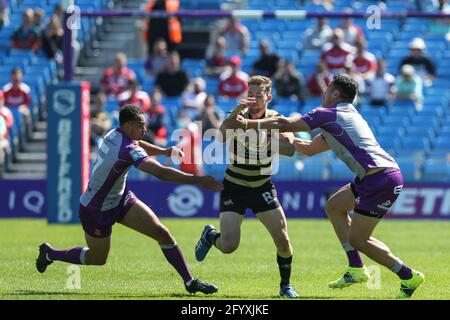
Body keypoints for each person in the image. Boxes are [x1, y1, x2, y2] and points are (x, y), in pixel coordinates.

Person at [228, 75, 425, 299]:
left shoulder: (328, 113)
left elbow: (286, 123)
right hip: (374, 176)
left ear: (336, 94)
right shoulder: (340, 117)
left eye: (327, 88)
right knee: (334, 207)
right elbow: (310, 148)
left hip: (379, 179)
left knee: (359, 240)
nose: (324, 92)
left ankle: (408, 276)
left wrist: (247, 124)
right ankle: (356, 268)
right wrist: (280, 141)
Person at [36, 105, 222, 295]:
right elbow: (160, 172)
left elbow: (138, 144)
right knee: (97, 258)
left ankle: (189, 281)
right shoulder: (125, 148)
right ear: (129, 125)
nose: (144, 129)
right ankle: (51, 253)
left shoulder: (115, 134)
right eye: (141, 126)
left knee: (162, 233)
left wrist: (164, 151)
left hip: (120, 199)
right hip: (96, 209)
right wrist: (197, 180)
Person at [195, 75, 300, 298]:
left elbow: (291, 149)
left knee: (282, 240)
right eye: (250, 94)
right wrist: (235, 113)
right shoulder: (238, 116)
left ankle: (285, 286)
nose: (253, 99)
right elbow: (221, 137)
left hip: (262, 186)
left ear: (268, 97)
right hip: (234, 186)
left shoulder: (276, 119)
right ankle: (210, 236)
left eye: (258, 95)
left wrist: (263, 136)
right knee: (229, 246)